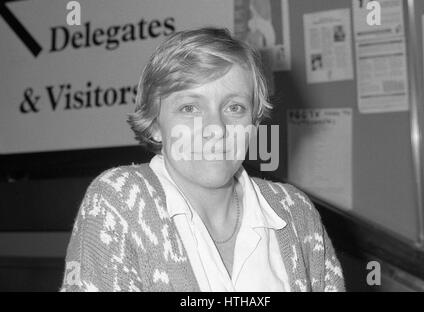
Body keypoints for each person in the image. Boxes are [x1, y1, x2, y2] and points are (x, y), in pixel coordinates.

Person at [60, 27, 344, 292]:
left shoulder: (296, 212)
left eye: (235, 107)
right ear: (156, 125)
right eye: (190, 107)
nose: (216, 129)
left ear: (254, 123)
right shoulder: (119, 201)